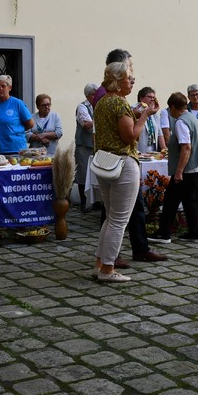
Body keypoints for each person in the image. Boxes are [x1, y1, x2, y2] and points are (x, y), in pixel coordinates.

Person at [91, 60, 158, 283]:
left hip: (105, 161)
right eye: (129, 78)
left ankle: (100, 264)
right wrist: (145, 116)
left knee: (110, 218)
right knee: (119, 220)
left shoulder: (102, 102)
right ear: (118, 82)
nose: (132, 82)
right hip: (123, 163)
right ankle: (108, 269)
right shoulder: (119, 103)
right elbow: (130, 136)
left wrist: (137, 114)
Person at [148, 92, 198, 245]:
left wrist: (179, 171)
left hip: (186, 169)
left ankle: (164, 233)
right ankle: (195, 232)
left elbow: (186, 147)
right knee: (190, 201)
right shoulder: (192, 118)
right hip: (196, 166)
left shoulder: (181, 122)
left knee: (170, 201)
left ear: (173, 107)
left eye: (170, 109)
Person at [0, 75, 33, 155]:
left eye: (3, 86)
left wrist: (15, 129)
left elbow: (30, 124)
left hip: (15, 149)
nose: (0, 89)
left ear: (10, 88)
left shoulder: (17, 103)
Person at [74, 83, 98, 212]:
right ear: (88, 95)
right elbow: (87, 125)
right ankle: (84, 202)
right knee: (83, 174)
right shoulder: (82, 107)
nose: (96, 96)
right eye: (94, 94)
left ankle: (97, 201)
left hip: (98, 146)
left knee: (97, 173)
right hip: (84, 145)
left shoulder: (99, 106)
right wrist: (102, 119)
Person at [133, 87, 163, 153]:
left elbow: (159, 132)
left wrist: (164, 148)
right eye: (149, 97)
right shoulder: (134, 110)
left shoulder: (153, 112)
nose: (152, 99)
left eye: (153, 98)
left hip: (152, 151)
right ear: (141, 98)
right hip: (138, 150)